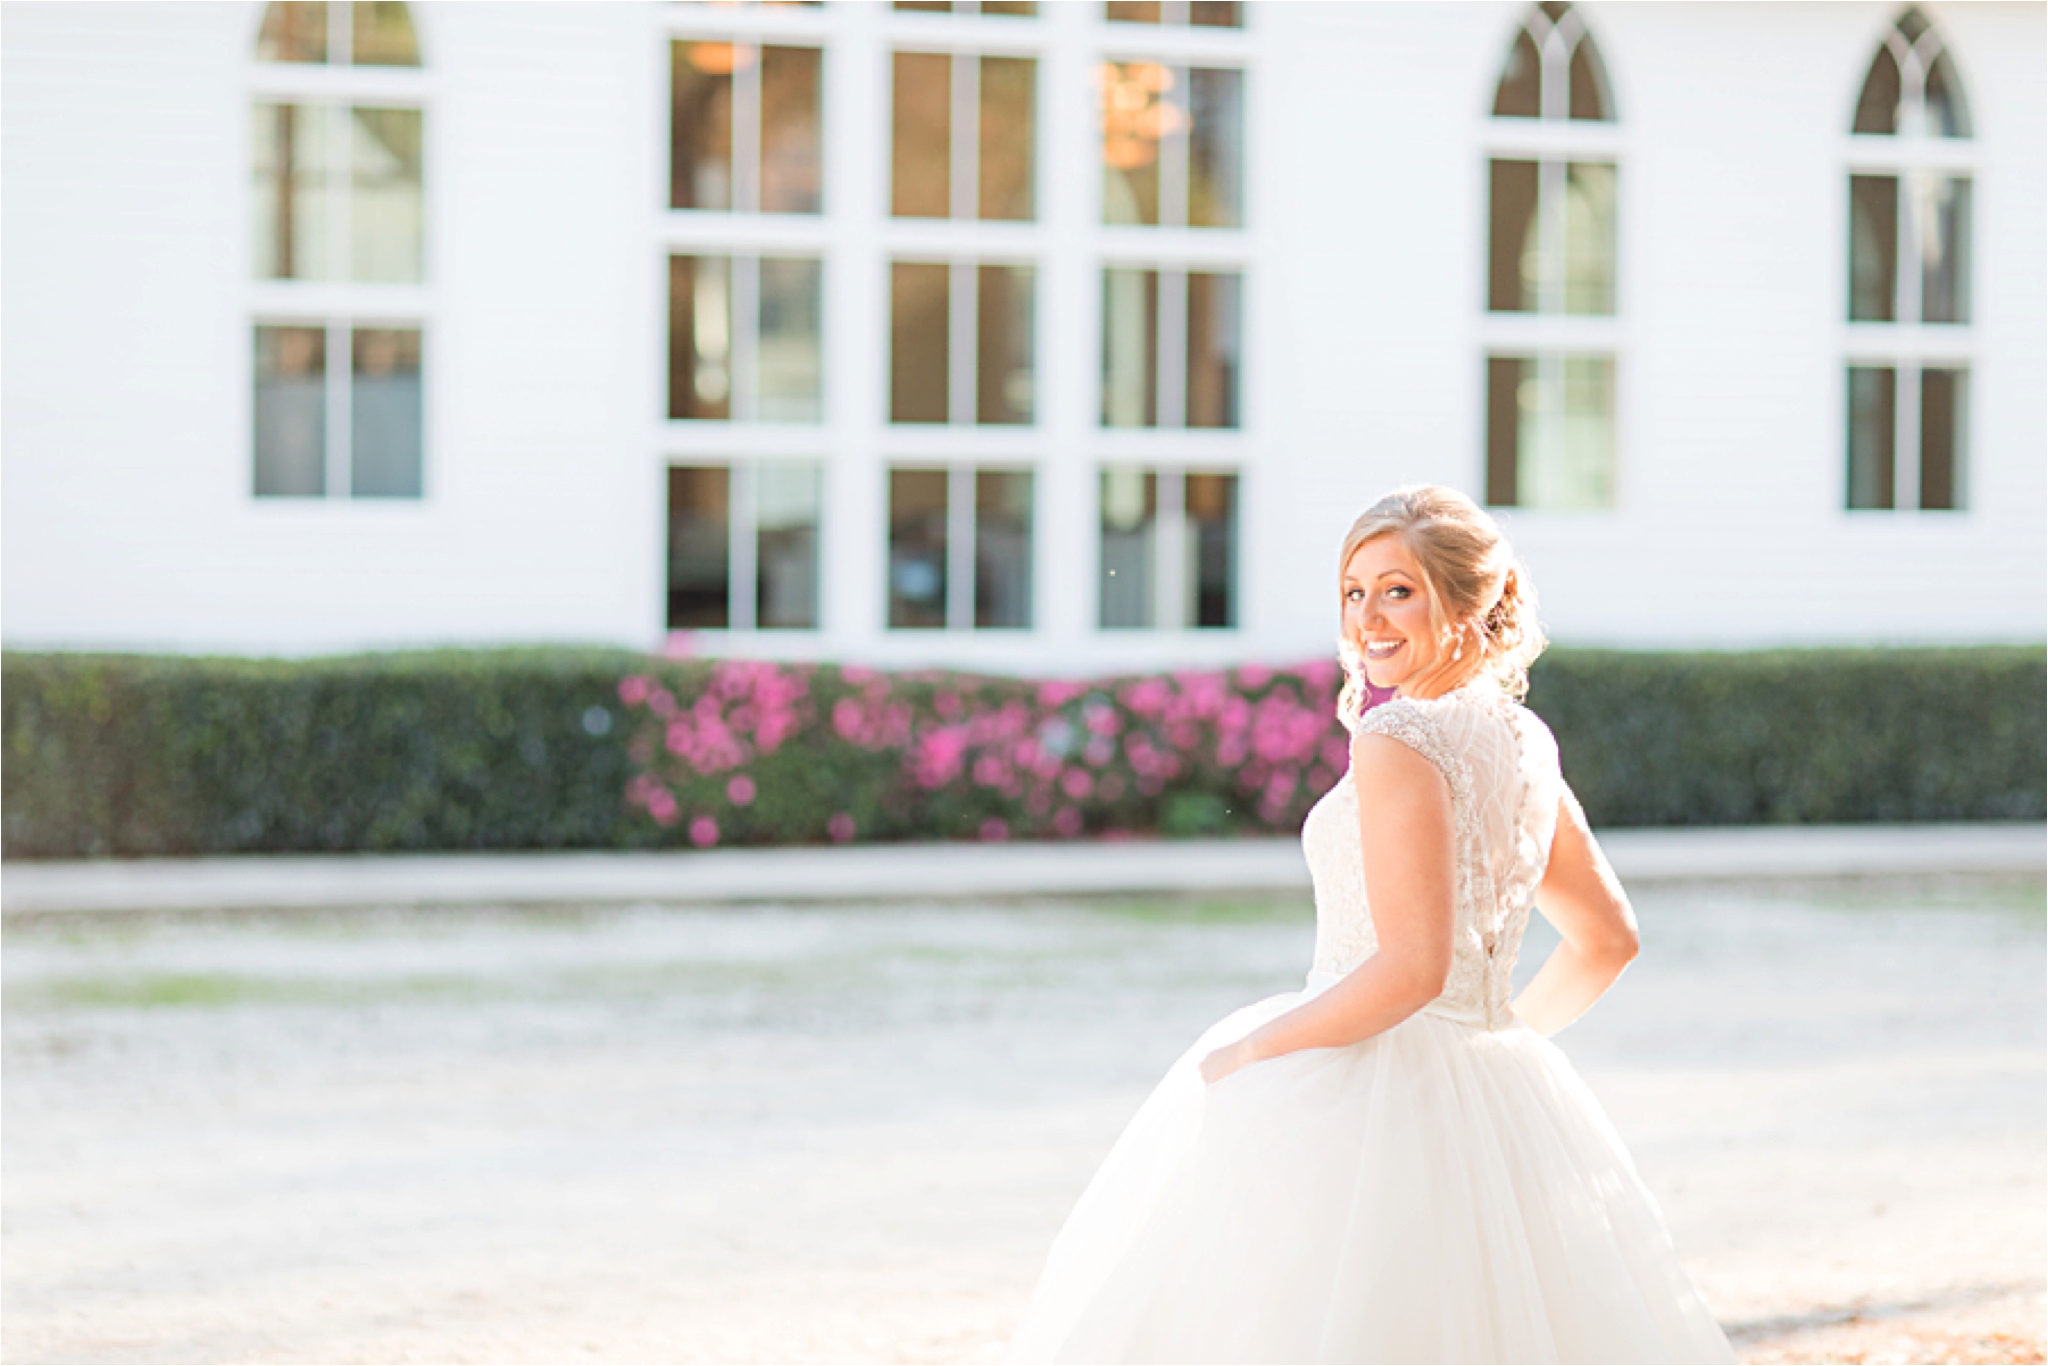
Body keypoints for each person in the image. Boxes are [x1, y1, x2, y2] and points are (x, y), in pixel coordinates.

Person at [1005, 486, 1736, 1364]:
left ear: (1469, 601)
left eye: (1399, 589)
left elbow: (1412, 972)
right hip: (1486, 1090)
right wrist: (1489, 1049)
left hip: (1361, 1089)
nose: (1368, 619)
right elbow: (1607, 940)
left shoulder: (1400, 741)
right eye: (1354, 592)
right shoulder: (1527, 740)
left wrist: (1255, 1052)